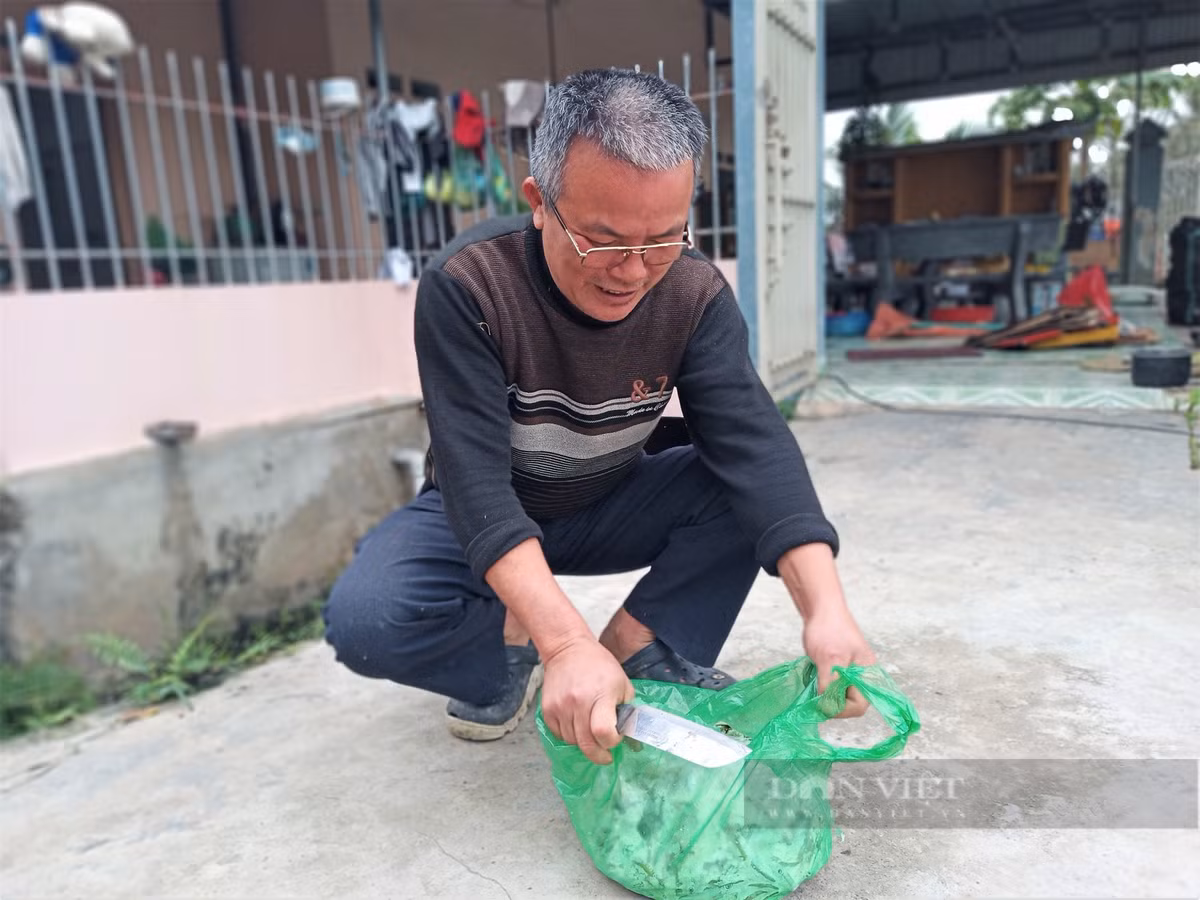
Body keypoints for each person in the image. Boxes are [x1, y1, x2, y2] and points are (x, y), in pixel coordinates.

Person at [323, 68, 876, 766]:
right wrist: (561, 641)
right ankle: (512, 648)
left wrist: (824, 609)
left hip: (608, 498)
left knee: (742, 490)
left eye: (663, 238)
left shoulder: (692, 291)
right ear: (539, 202)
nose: (634, 271)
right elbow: (475, 486)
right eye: (604, 240)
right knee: (370, 618)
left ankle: (642, 651)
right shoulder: (467, 285)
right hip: (483, 510)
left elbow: (753, 444)